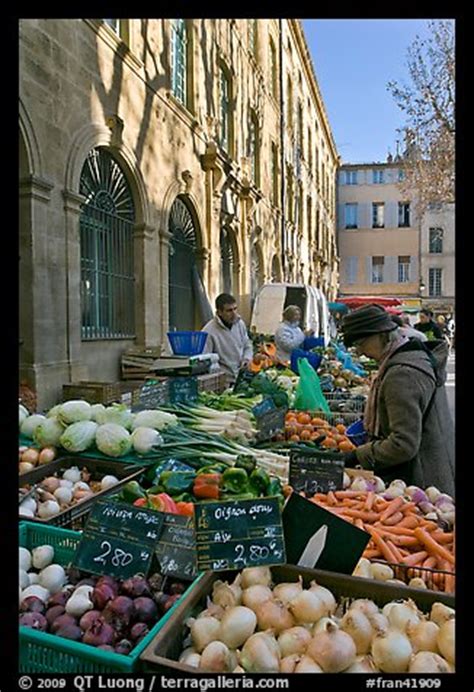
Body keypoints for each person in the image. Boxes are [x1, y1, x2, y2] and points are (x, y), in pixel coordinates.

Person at [341, 304, 454, 494]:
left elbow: (403, 445)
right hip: (433, 466)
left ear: (381, 335)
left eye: (360, 343)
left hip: (420, 481)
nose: (359, 352)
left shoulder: (401, 375)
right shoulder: (412, 356)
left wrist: (357, 456)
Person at [201, 293, 253, 385]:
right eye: (229, 310)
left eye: (235, 309)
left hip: (241, 378)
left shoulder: (240, 324)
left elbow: (247, 345)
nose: (234, 313)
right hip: (222, 382)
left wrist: (247, 359)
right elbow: (206, 360)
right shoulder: (209, 331)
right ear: (219, 312)